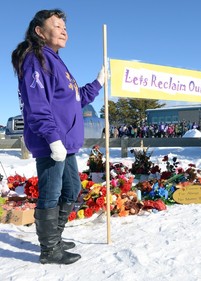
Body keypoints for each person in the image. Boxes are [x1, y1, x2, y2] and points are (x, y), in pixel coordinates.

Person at [11, 9, 105, 264]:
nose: (64, 30)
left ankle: (56, 235)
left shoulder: (56, 61)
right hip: (51, 142)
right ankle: (49, 250)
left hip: (66, 144)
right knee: (51, 194)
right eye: (56, 25)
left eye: (65, 26)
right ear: (39, 32)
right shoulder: (35, 59)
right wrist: (52, 138)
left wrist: (97, 82)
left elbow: (76, 100)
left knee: (72, 188)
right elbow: (36, 104)